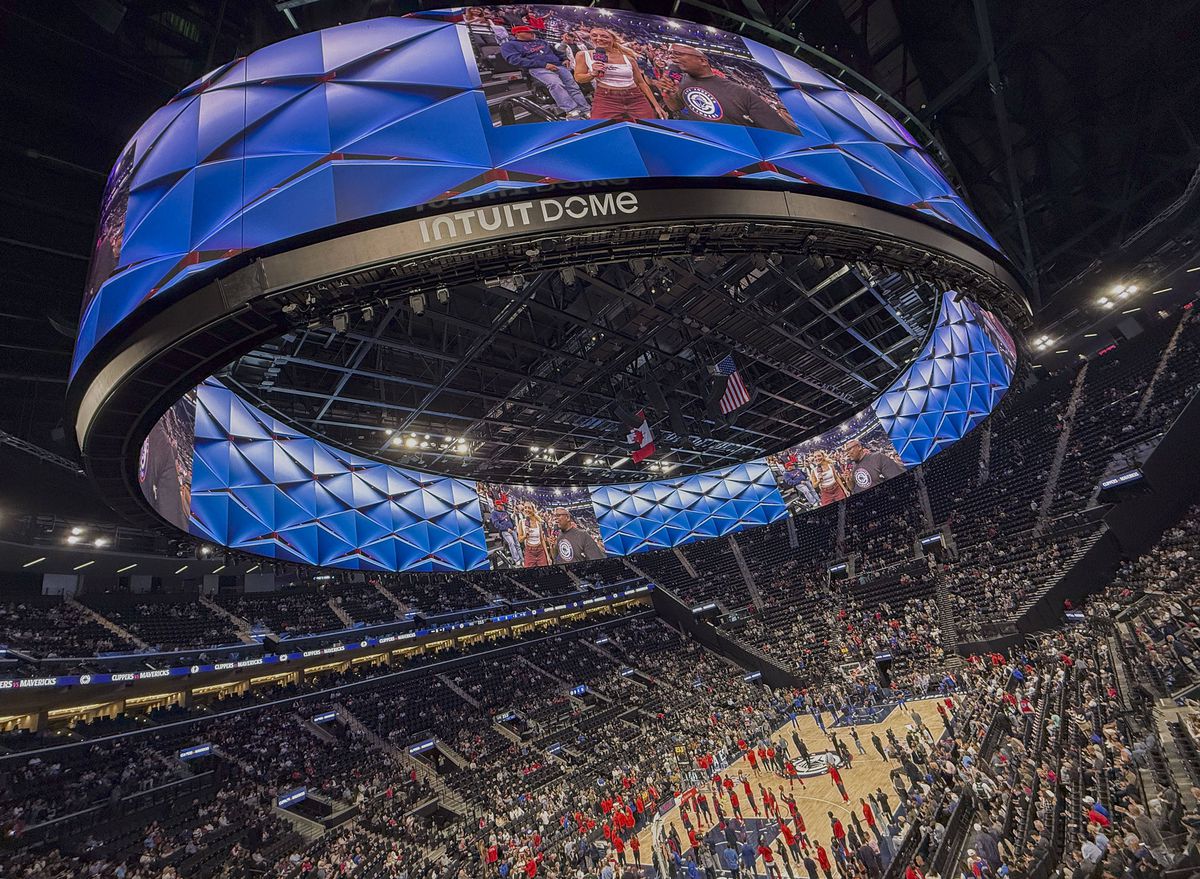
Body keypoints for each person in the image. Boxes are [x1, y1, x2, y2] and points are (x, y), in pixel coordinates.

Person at [659, 44, 799, 133]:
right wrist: (669, 96)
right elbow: (675, 107)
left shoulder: (740, 92)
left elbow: (779, 131)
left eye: (679, 55)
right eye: (672, 55)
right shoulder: (683, 80)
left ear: (702, 61)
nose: (673, 58)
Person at [572, 28, 664, 121]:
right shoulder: (583, 55)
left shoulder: (628, 58)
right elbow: (579, 78)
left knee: (649, 127)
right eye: (594, 35)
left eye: (604, 36)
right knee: (601, 130)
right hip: (606, 99)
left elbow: (641, 83)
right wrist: (592, 74)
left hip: (635, 97)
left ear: (613, 39)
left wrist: (656, 106)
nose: (599, 38)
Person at [500, 26, 590, 118]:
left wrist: (564, 59)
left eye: (532, 32)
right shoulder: (509, 45)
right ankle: (571, 110)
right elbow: (515, 60)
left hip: (558, 65)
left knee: (573, 87)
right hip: (538, 68)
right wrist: (544, 65)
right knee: (555, 84)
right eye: (528, 32)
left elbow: (556, 52)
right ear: (517, 33)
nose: (532, 34)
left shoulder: (541, 41)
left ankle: (585, 109)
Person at [517, 501, 551, 567]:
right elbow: (520, 540)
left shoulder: (538, 522)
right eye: (525, 508)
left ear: (533, 510)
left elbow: (542, 540)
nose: (527, 510)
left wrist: (547, 556)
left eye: (529, 508)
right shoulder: (521, 522)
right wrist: (525, 536)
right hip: (529, 551)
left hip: (540, 550)